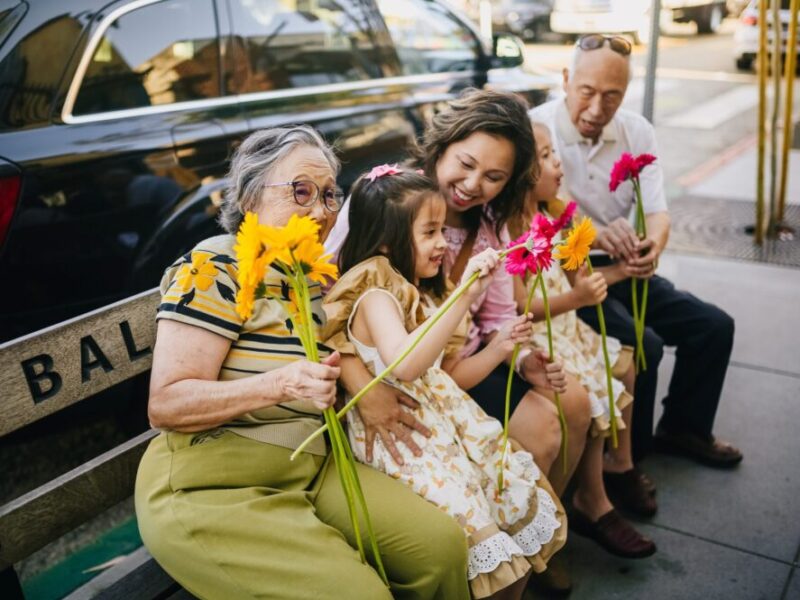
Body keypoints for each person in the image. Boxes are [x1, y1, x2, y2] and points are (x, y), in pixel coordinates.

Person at [134, 125, 471, 600]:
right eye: (300, 192)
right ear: (252, 197)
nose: (319, 210)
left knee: (442, 548)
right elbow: (166, 404)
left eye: (330, 195)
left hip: (311, 471)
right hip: (215, 488)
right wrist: (280, 385)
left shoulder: (311, 278)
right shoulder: (215, 267)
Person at [323, 167, 566, 599]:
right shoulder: (375, 294)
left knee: (505, 514)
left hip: (445, 432)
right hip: (407, 445)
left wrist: (498, 348)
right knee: (478, 535)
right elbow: (407, 365)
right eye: (430, 232)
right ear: (385, 239)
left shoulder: (411, 293)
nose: (442, 243)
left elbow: (443, 375)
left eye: (441, 230)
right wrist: (465, 295)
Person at [530, 35, 742, 473]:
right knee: (645, 346)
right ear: (566, 79)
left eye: (612, 96)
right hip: (570, 274)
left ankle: (684, 428)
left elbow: (658, 212)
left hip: (626, 267)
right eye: (586, 92)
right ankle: (628, 461)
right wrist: (600, 238)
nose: (595, 109)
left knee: (714, 328)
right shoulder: (537, 131)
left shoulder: (636, 130)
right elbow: (545, 220)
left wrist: (651, 249)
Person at [509, 122, 656, 560]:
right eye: (547, 156)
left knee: (625, 362)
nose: (558, 163)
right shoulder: (514, 229)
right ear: (521, 171)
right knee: (595, 385)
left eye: (555, 152)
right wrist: (577, 294)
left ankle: (618, 465)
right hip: (543, 333)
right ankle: (592, 499)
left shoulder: (555, 213)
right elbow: (521, 306)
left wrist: (607, 274)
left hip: (569, 326)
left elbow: (580, 273)